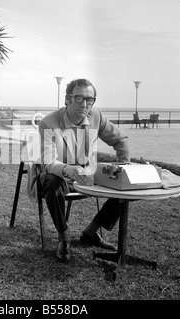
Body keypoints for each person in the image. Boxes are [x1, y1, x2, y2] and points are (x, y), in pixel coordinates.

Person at [38, 78, 130, 262]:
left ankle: (91, 231)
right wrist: (68, 170)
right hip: (59, 175)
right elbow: (48, 162)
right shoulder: (48, 123)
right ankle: (63, 238)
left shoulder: (97, 116)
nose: (85, 104)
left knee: (126, 185)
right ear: (67, 99)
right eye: (79, 98)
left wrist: (123, 167)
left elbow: (121, 140)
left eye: (90, 99)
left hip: (88, 176)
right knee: (52, 182)